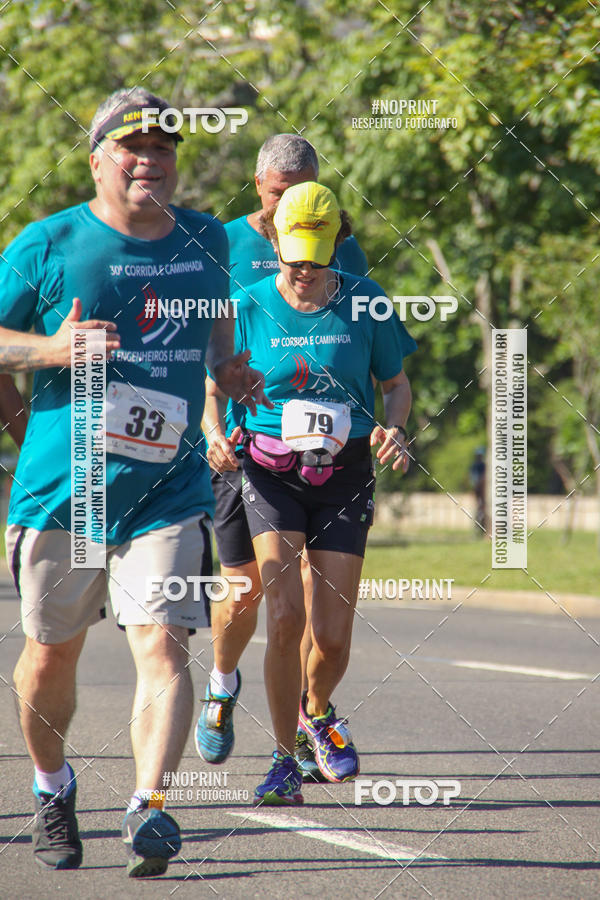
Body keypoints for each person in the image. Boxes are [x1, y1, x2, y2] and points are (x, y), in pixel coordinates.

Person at [0, 87, 268, 877]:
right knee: (51, 657)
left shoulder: (206, 238)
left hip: (168, 491)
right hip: (65, 492)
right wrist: (51, 351)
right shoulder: (46, 244)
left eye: (163, 147)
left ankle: (149, 806)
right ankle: (53, 787)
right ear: (97, 160)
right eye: (132, 147)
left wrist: (226, 365)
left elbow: (216, 316)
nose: (150, 159)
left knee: (162, 646)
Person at [233, 181, 416, 804]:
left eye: (317, 254)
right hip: (270, 471)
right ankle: (283, 761)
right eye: (294, 255)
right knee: (283, 617)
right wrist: (212, 433)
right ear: (276, 242)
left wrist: (395, 426)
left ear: (337, 243)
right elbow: (212, 388)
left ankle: (316, 712)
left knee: (332, 637)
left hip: (344, 474)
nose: (304, 268)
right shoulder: (247, 304)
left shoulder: (368, 304)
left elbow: (395, 384)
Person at [196, 135, 368, 782]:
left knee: (295, 599)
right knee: (242, 592)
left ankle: (304, 720)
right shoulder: (224, 247)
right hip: (237, 443)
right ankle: (220, 682)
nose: (293, 202)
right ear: (257, 185)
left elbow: (350, 326)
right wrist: (210, 422)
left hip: (312, 456)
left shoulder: (337, 243)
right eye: (278, 192)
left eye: (305, 187)